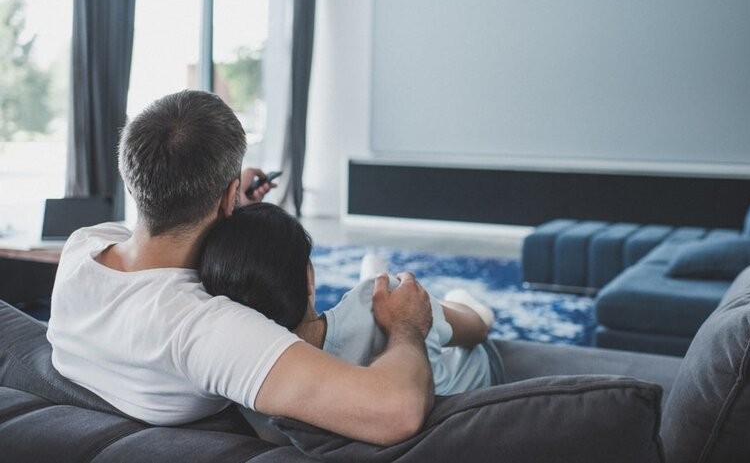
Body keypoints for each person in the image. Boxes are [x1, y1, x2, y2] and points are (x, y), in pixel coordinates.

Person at [46, 90, 436, 446]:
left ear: (132, 185)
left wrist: (229, 201)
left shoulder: (84, 246)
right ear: (230, 195)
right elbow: (396, 411)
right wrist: (406, 326)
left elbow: (160, 231)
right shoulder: (205, 328)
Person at [197, 202, 504, 395]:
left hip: (372, 316)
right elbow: (476, 331)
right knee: (461, 308)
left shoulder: (249, 384)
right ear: (309, 279)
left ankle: (376, 280)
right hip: (477, 370)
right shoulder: (384, 314)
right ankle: (390, 283)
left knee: (380, 294)